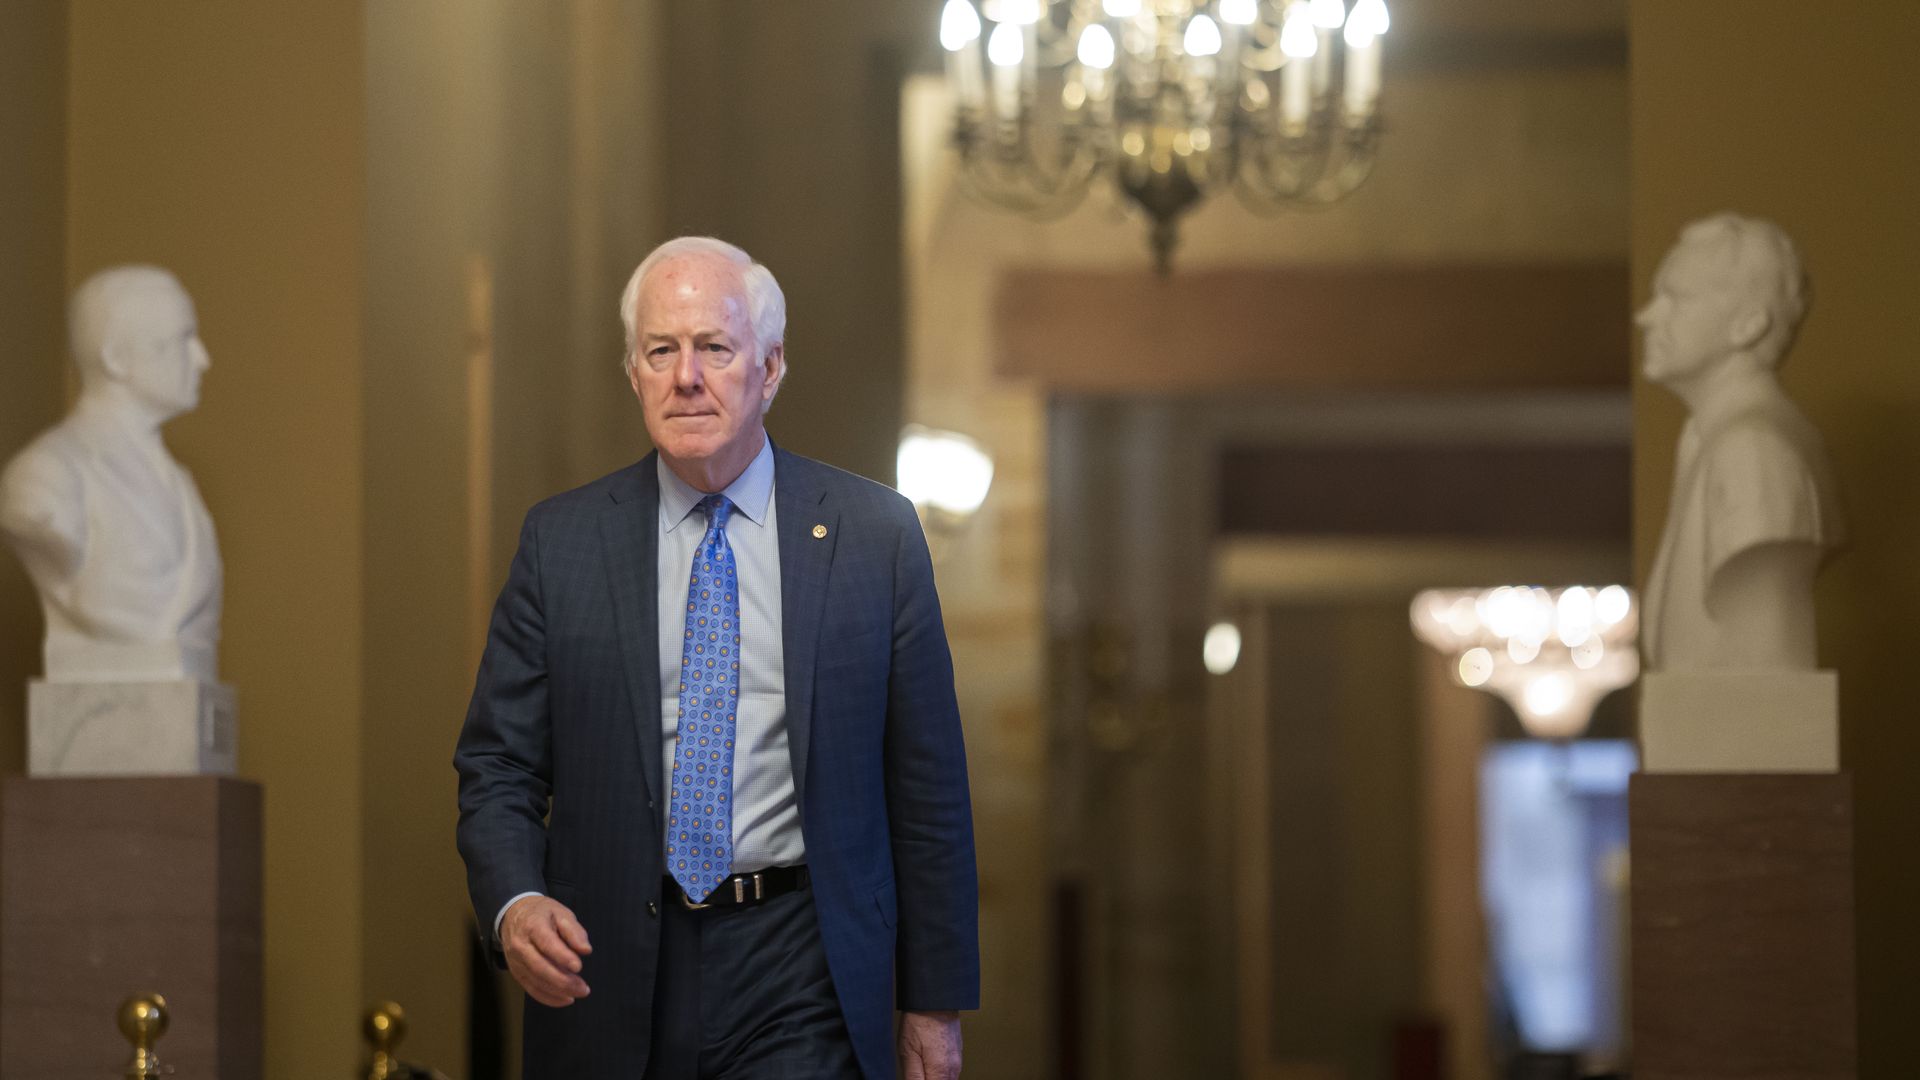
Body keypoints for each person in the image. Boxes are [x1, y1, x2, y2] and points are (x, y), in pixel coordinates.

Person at [454, 236, 978, 1079]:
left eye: (714, 348)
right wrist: (515, 903)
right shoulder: (563, 542)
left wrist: (933, 1005)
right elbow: (498, 765)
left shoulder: (873, 537)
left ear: (769, 368)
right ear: (633, 372)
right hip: (608, 964)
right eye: (660, 351)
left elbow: (928, 791)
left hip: (800, 962)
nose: (685, 376)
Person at [1638, 213, 1844, 671]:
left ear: (1747, 324)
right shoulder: (1708, 439)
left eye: (1677, 298)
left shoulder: (1753, 451)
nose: (1647, 316)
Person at [0, 265, 221, 683]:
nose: (203, 359)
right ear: (117, 357)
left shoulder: (181, 484)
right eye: (182, 340)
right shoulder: (45, 475)